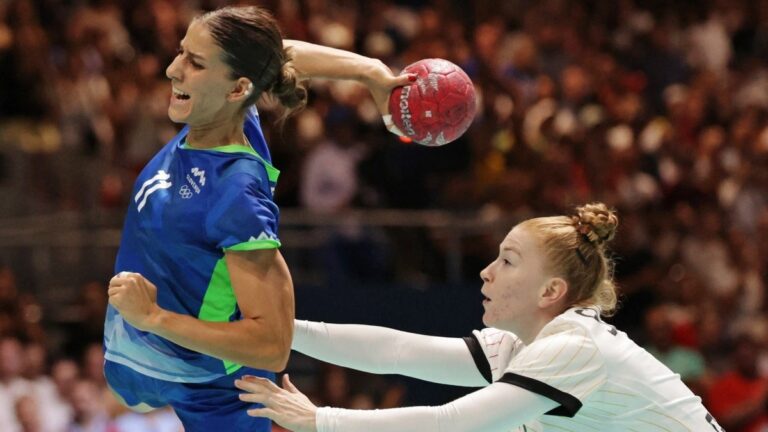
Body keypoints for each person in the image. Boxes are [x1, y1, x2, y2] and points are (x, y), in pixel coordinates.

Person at [103, 6, 412, 432]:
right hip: (150, 358)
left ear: (236, 89)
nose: (173, 69)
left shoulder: (236, 192)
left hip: (212, 386)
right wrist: (370, 71)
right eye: (181, 52)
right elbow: (275, 56)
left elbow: (271, 345)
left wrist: (153, 318)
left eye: (194, 63)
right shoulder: (228, 115)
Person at [235, 203, 724, 432]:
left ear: (551, 291)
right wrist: (281, 332)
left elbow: (453, 420)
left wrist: (321, 420)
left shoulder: (573, 346)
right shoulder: (523, 344)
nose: (486, 274)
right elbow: (398, 350)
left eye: (508, 261)